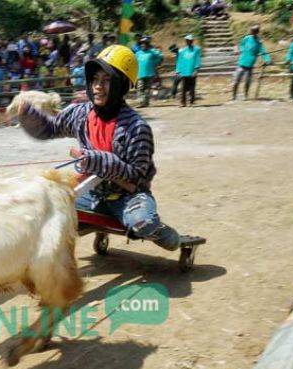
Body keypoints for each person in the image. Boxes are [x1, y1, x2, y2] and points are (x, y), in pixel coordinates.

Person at [17, 45, 183, 251]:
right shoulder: (80, 114)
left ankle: (159, 230)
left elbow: (137, 176)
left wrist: (97, 161)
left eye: (106, 81)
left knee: (142, 223)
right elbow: (51, 129)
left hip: (127, 197)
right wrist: (28, 115)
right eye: (95, 80)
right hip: (92, 194)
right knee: (49, 209)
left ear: (122, 85)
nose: (97, 86)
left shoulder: (136, 128)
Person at [232, 25, 270, 100]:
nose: (252, 32)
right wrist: (240, 50)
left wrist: (267, 60)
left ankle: (245, 95)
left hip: (250, 66)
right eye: (251, 30)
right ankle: (234, 96)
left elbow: (263, 52)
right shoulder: (246, 38)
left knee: (247, 82)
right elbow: (241, 45)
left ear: (257, 32)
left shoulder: (259, 42)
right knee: (236, 81)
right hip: (241, 64)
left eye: (254, 31)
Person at [135, 36, 163, 107]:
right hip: (140, 74)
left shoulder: (152, 52)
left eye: (145, 43)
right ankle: (141, 102)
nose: (143, 45)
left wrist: (156, 63)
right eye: (141, 44)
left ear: (147, 44)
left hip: (149, 73)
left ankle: (146, 102)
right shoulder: (138, 53)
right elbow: (133, 61)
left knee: (147, 88)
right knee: (140, 88)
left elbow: (160, 56)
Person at [176, 35, 201, 107]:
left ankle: (191, 102)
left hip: (192, 71)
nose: (189, 42)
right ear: (186, 41)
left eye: (190, 40)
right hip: (184, 72)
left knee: (192, 87)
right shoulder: (182, 51)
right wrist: (178, 71)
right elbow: (179, 61)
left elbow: (197, 60)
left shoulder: (196, 50)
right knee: (183, 88)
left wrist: (196, 70)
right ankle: (183, 102)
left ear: (192, 41)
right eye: (187, 40)